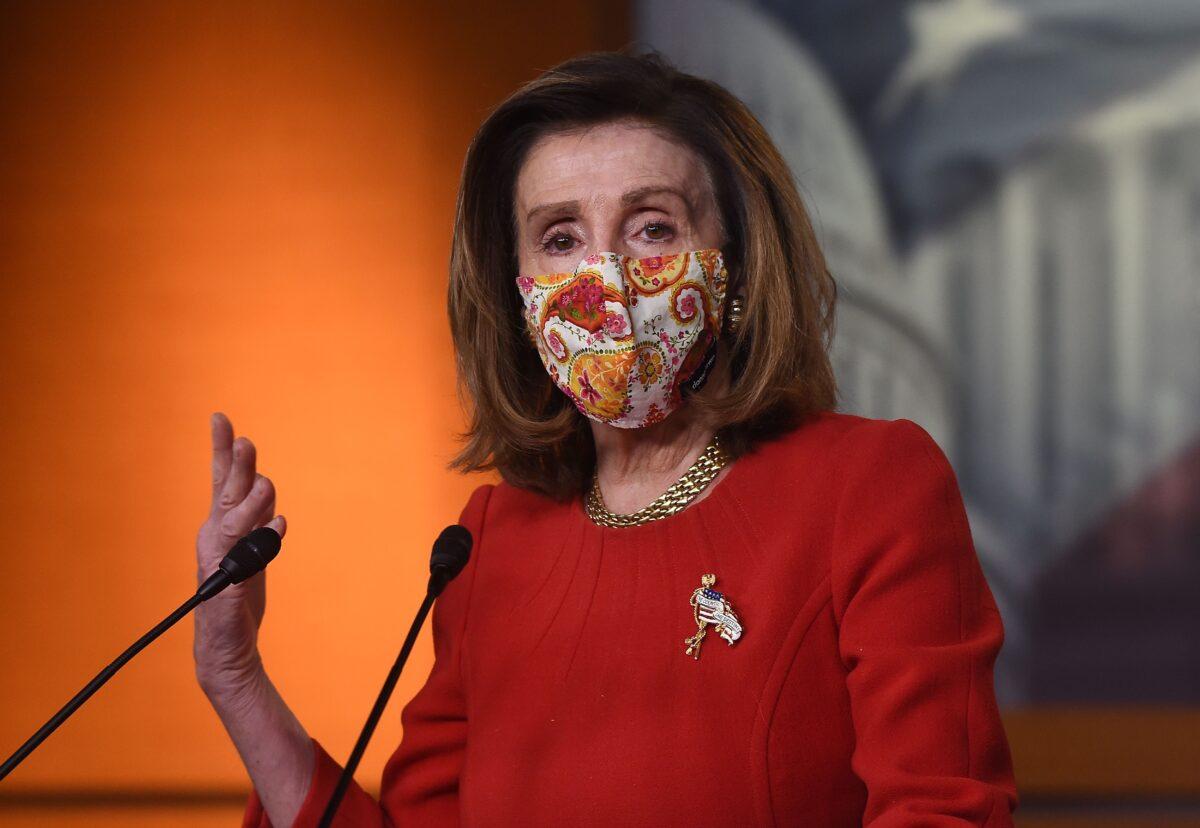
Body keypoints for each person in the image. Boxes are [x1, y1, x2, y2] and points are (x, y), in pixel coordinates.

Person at [194, 50, 1019, 826]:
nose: (607, 279)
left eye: (652, 227)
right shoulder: (489, 546)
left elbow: (941, 808)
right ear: (517, 297)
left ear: (734, 260)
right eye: (561, 238)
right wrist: (237, 681)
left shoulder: (867, 486)